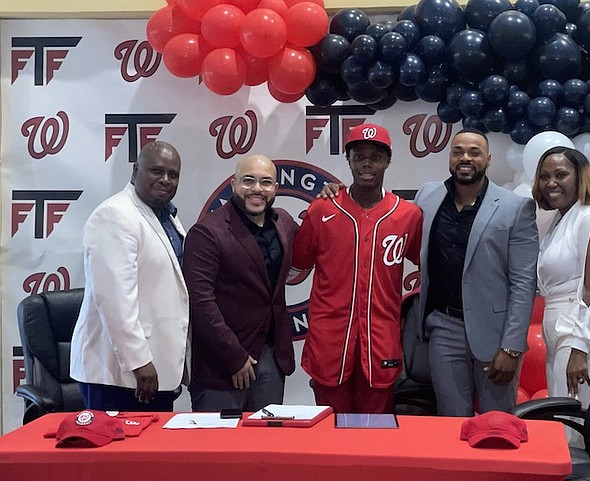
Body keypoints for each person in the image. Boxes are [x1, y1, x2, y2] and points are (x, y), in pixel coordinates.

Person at [293, 123, 423, 414]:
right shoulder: (322, 209)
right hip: (330, 340)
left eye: (375, 157)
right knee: (329, 432)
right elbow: (298, 263)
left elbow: (424, 262)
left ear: (388, 161)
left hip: (380, 340)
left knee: (374, 435)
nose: (367, 163)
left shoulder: (408, 215)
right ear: (348, 160)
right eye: (359, 155)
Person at [415, 128, 539, 417]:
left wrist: (511, 347)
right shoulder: (427, 197)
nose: (465, 157)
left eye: (474, 152)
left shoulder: (515, 207)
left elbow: (524, 282)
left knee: (497, 425)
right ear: (450, 157)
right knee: (450, 424)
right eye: (458, 151)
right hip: (443, 328)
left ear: (488, 159)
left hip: (496, 335)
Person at [70, 141, 189, 411]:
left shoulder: (165, 216)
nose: (166, 180)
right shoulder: (115, 215)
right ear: (136, 171)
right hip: (121, 374)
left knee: (152, 453)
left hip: (156, 369)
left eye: (173, 175)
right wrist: (138, 361)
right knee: (117, 453)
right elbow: (113, 299)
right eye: (157, 171)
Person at [182, 154, 298, 412]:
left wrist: (331, 196)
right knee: (219, 448)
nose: (257, 189)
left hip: (271, 357)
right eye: (248, 181)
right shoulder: (207, 232)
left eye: (266, 182)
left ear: (275, 189)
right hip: (222, 363)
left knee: (266, 446)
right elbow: (200, 302)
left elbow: (316, 239)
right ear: (233, 184)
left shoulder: (284, 223)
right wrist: (234, 357)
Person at [532, 146, 590, 407]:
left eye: (561, 175)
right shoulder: (558, 222)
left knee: (578, 422)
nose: (551, 183)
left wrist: (579, 347)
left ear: (580, 178)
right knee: (563, 418)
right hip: (562, 331)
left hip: (584, 335)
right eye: (544, 176)